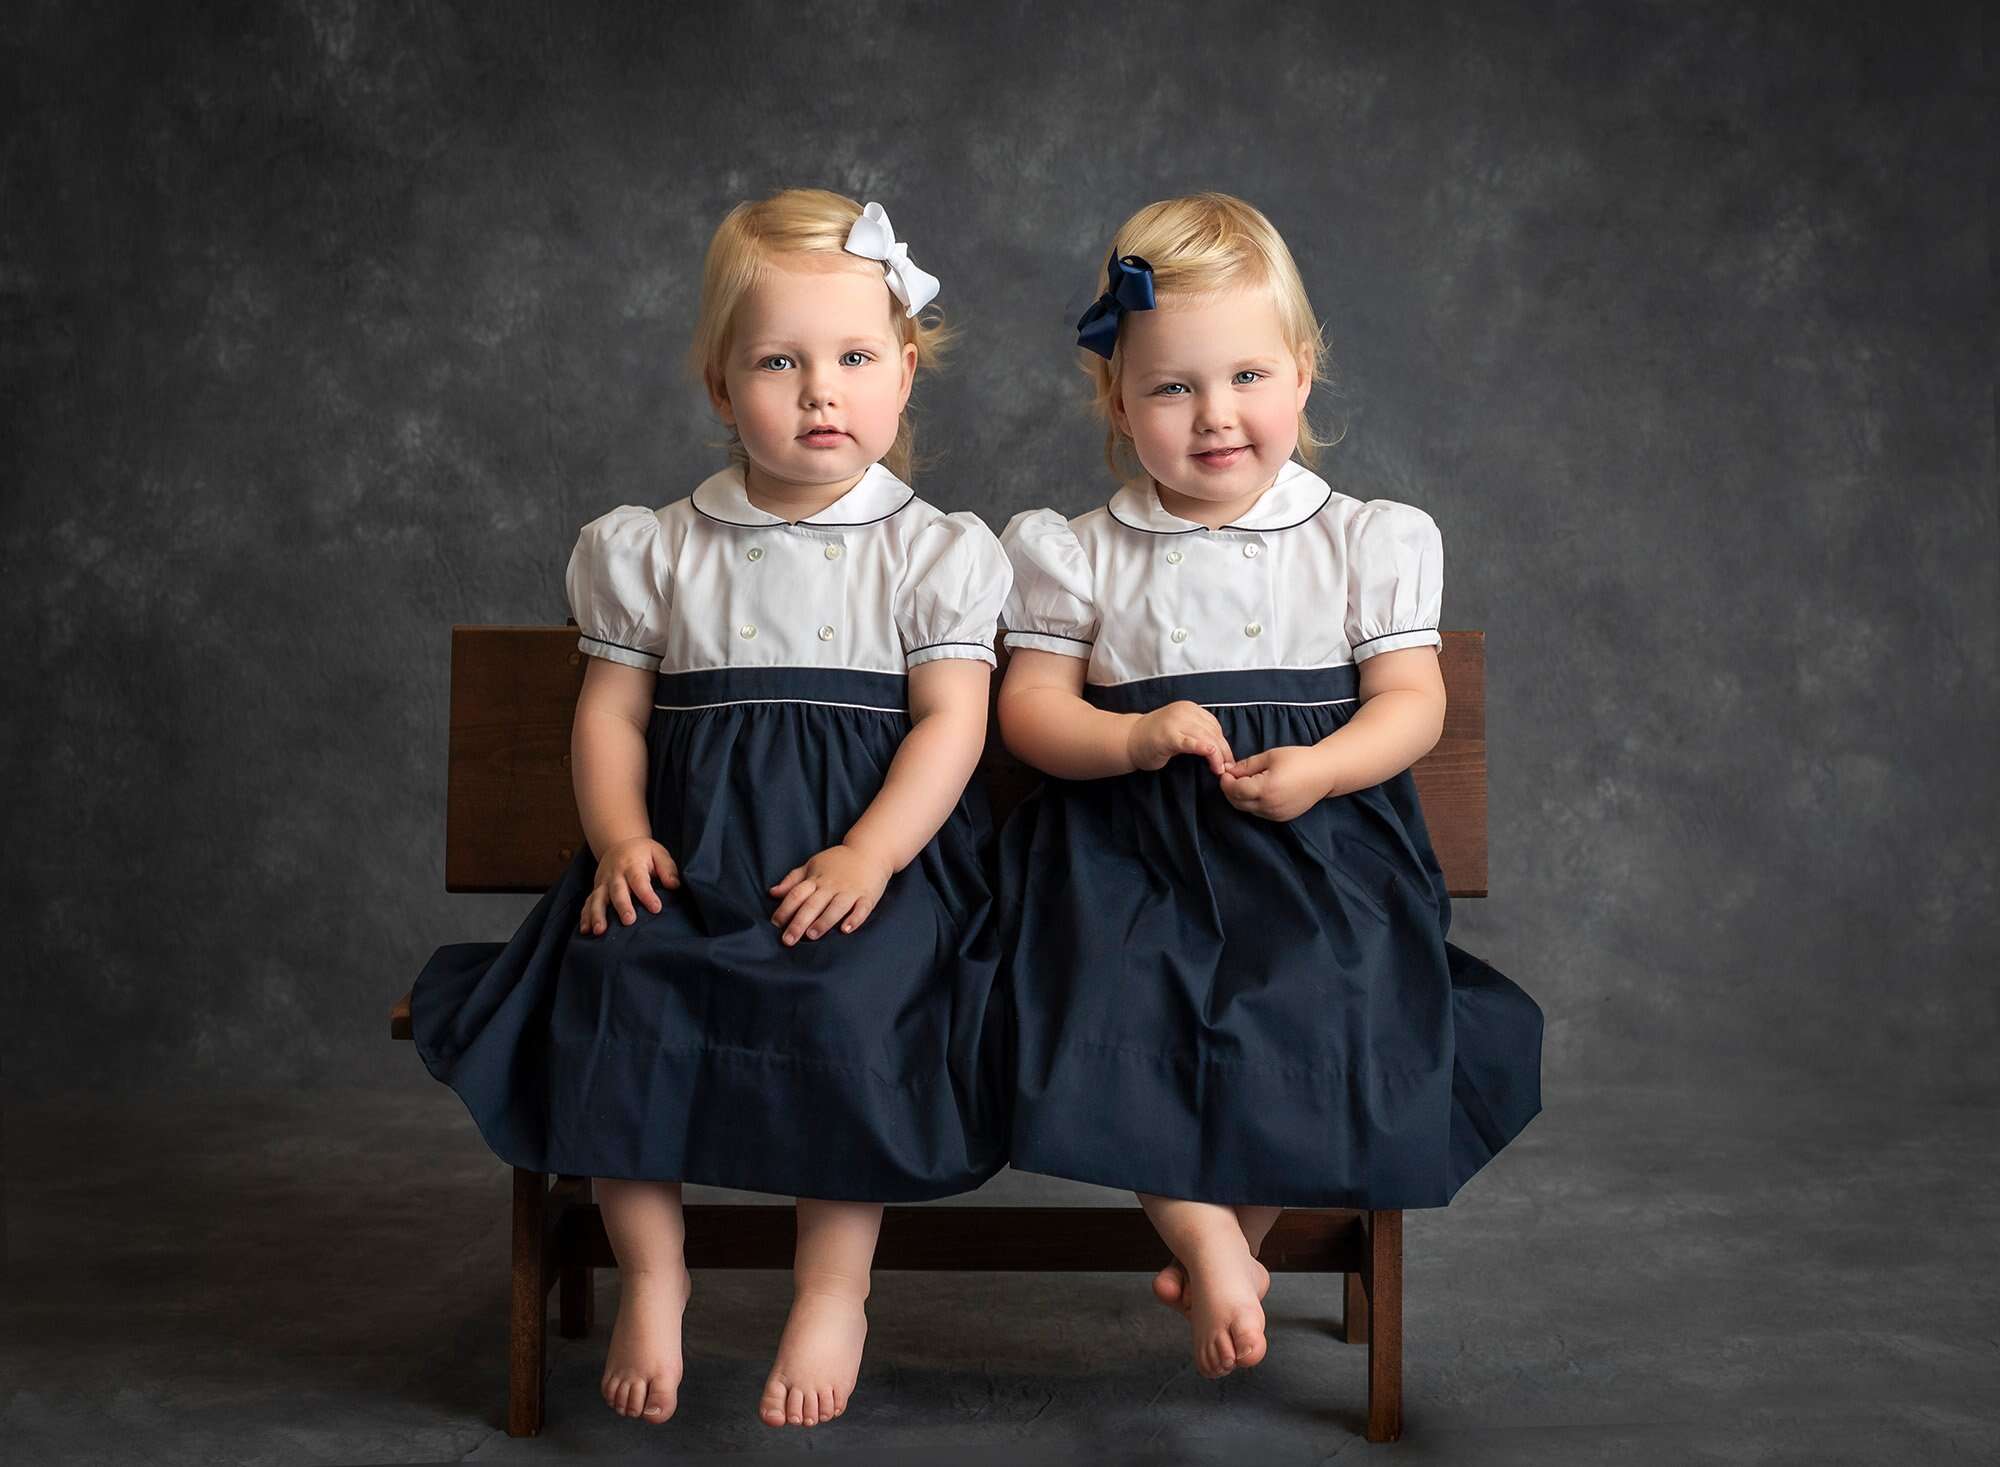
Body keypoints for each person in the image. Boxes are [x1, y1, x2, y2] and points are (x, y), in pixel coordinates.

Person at [410, 188, 1012, 1430]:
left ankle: (833, 1288)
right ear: (720, 387)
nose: (819, 393)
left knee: (854, 1012)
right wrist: (621, 839)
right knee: (618, 993)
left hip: (860, 869)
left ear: (904, 373)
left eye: (854, 359)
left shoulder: (931, 552)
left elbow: (953, 724)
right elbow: (609, 717)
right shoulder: (656, 549)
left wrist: (870, 853)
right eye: (778, 363)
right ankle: (654, 1272)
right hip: (690, 857)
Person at [994, 192, 1544, 1381]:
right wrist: (1130, 739)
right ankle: (1207, 1238)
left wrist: (1324, 766)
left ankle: (1226, 1242)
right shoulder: (1077, 550)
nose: (1214, 415)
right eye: (1171, 387)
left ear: (1302, 372)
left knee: (1333, 1006)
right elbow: (1028, 711)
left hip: (1317, 853)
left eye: (1246, 376)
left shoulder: (1362, 540)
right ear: (1117, 401)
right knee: (1118, 1012)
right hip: (1132, 860)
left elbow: (1412, 703)